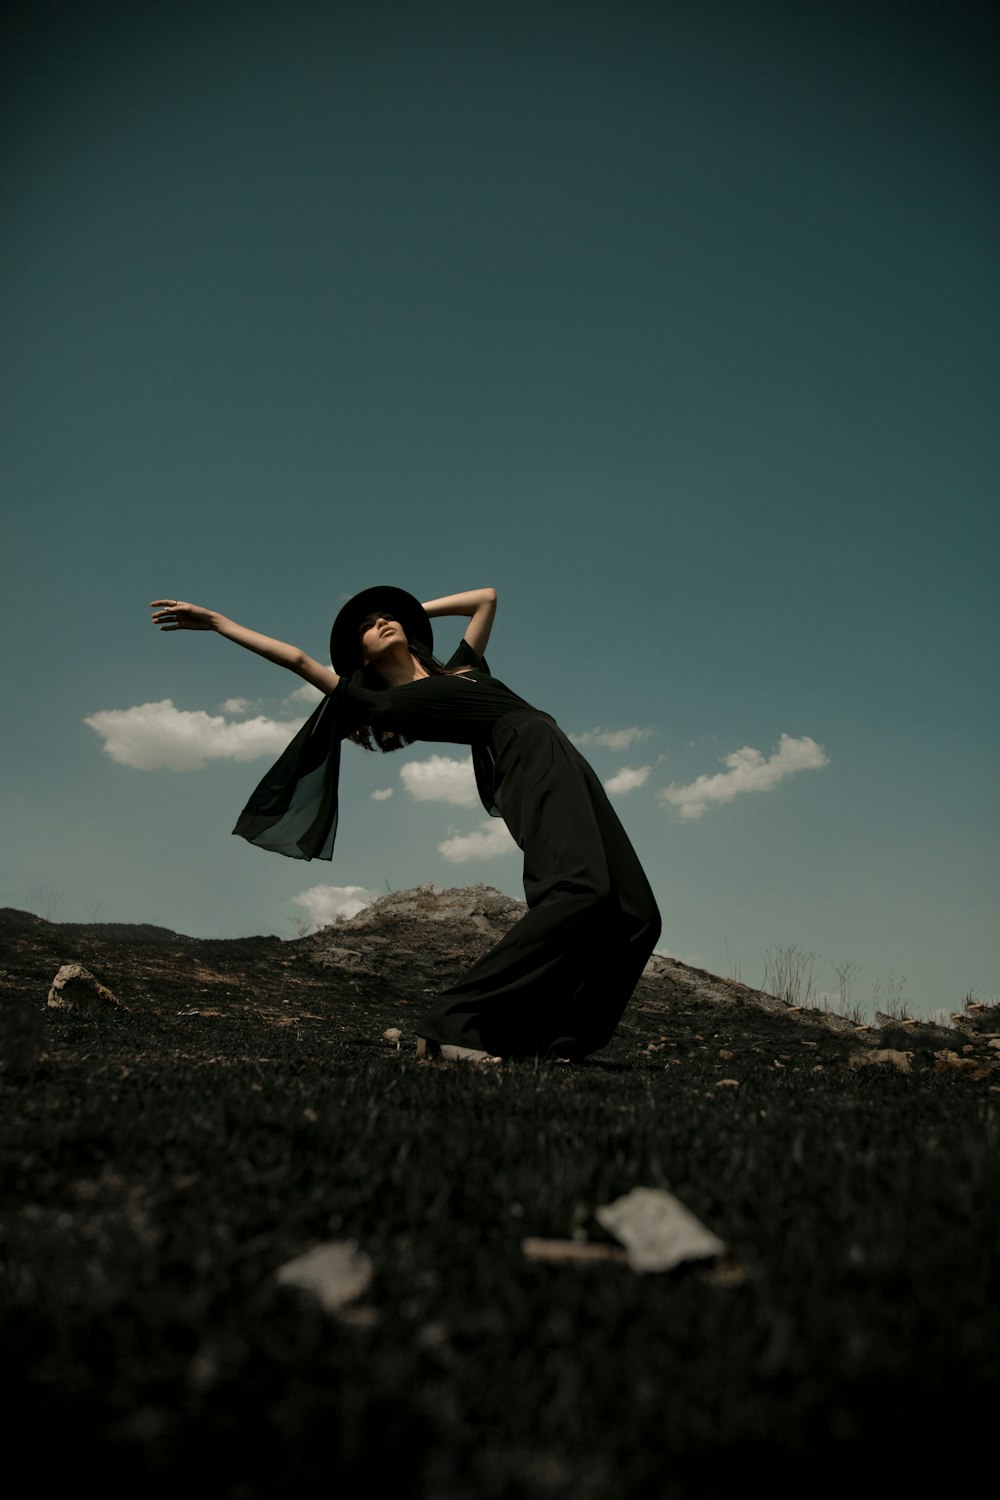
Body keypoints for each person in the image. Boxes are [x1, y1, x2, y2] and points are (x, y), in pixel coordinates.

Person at [150, 587, 661, 1064]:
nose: (382, 622)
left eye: (388, 617)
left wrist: (413, 611)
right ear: (361, 659)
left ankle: (557, 1040)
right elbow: (299, 659)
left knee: (637, 914)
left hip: (563, 756)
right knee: (579, 891)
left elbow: (485, 599)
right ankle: (451, 1023)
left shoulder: (462, 668)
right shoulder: (382, 704)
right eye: (369, 627)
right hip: (528, 761)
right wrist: (218, 622)